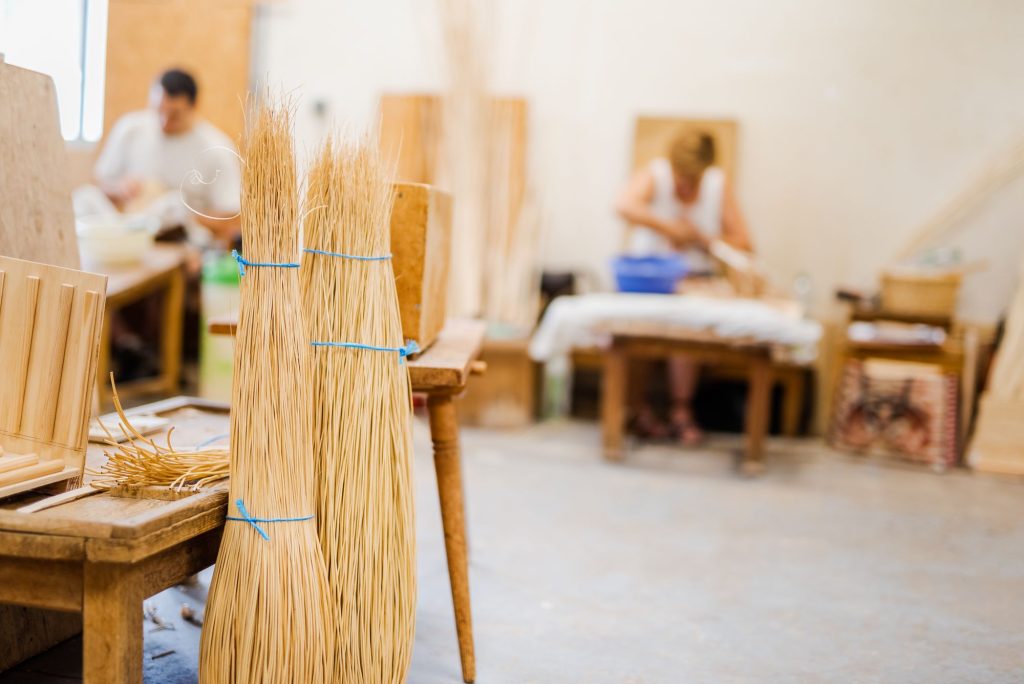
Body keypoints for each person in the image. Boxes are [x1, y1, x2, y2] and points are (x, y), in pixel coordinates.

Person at [614, 130, 753, 444]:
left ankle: (681, 411)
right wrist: (669, 228)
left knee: (686, 328)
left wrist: (700, 237)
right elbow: (622, 204)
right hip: (649, 278)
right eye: (680, 176)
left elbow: (745, 244)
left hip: (694, 278)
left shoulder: (718, 184)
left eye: (692, 178)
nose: (684, 184)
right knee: (633, 330)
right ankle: (638, 410)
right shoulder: (657, 174)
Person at [92, 68, 241, 244]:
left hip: (185, 244)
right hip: (128, 232)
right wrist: (119, 188)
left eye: (174, 115)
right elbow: (101, 183)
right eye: (159, 111)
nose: (164, 121)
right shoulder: (131, 129)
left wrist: (186, 217)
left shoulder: (216, 149)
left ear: (194, 107)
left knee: (174, 205)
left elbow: (232, 217)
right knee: (85, 199)